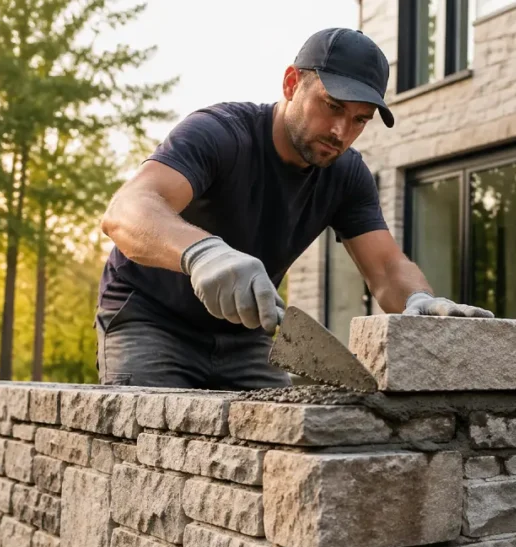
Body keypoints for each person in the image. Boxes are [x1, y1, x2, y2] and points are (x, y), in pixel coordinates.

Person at [95, 27, 493, 390]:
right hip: (151, 320)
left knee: (285, 435)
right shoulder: (219, 133)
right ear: (291, 83)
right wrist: (202, 254)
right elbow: (127, 210)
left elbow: (387, 268)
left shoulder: (347, 175)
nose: (341, 132)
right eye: (332, 106)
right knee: (151, 435)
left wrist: (417, 303)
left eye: (359, 120)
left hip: (245, 331)